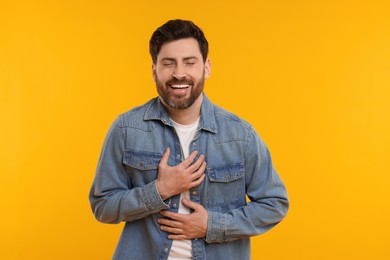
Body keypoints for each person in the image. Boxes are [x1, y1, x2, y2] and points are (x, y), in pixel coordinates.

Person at [89, 19, 289, 260]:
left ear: (206, 67)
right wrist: (160, 190)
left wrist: (212, 226)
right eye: (168, 63)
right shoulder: (126, 129)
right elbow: (103, 207)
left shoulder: (240, 136)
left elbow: (274, 204)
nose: (179, 73)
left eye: (189, 62)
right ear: (155, 70)